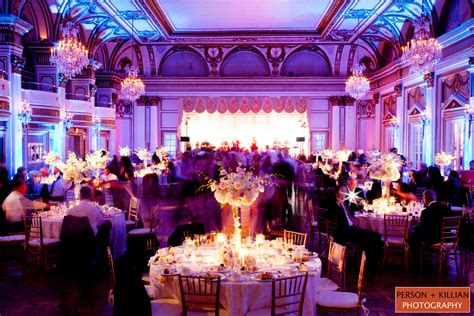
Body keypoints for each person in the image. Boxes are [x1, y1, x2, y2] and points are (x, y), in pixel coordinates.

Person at [333, 185, 383, 271]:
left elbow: (358, 208)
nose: (345, 194)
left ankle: (373, 262)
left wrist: (358, 202)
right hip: (345, 232)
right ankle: (370, 266)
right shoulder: (334, 204)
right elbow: (330, 213)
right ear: (337, 194)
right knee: (369, 239)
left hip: (353, 229)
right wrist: (338, 204)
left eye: (346, 191)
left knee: (377, 236)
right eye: (343, 192)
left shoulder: (346, 202)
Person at [409, 190, 451, 267]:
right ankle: (426, 259)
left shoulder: (426, 212)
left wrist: (414, 225)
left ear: (425, 199)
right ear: (435, 198)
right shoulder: (446, 209)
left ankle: (418, 262)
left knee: (412, 233)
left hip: (433, 239)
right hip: (447, 238)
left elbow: (423, 228)